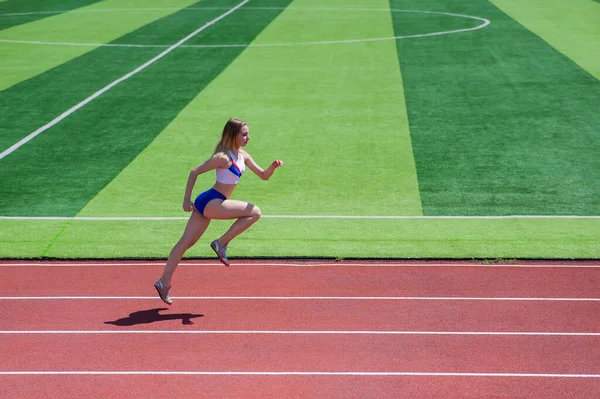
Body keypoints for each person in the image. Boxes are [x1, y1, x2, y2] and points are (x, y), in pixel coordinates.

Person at [154, 117, 284, 305]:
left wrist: (273, 167)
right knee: (255, 212)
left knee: (185, 243)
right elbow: (194, 172)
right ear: (233, 135)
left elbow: (263, 176)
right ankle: (221, 243)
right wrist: (185, 199)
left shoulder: (243, 155)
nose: (248, 137)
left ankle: (163, 282)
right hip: (212, 200)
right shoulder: (223, 158)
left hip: (211, 202)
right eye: (244, 134)